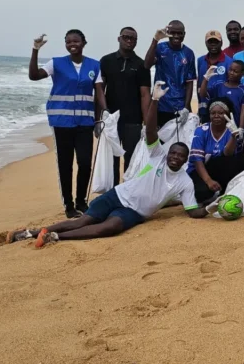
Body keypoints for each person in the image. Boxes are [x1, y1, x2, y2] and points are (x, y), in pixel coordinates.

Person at [7, 82, 207, 247]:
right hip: (118, 195)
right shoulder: (157, 156)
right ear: (168, 152)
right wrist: (154, 100)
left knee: (110, 227)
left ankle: (54, 237)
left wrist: (211, 208)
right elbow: (151, 130)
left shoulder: (185, 182)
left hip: (134, 212)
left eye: (180, 156)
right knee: (84, 220)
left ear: (185, 160)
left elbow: (193, 211)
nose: (175, 157)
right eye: (173, 153)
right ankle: (30, 233)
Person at [28, 30, 107, 218]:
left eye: (76, 41)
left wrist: (103, 116)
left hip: (85, 122)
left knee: (85, 163)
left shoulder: (94, 65)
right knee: (65, 165)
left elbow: (99, 94)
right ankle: (69, 206)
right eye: (68, 42)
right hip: (61, 122)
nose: (72, 44)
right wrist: (35, 49)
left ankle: (82, 202)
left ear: (83, 43)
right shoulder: (56, 63)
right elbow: (34, 75)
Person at [99, 27, 151, 185]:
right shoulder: (106, 61)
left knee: (132, 159)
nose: (129, 40)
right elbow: (100, 89)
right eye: (126, 37)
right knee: (111, 160)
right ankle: (113, 191)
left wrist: (146, 123)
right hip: (111, 120)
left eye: (133, 38)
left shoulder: (142, 64)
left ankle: (128, 191)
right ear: (119, 38)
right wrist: (100, 117)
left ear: (136, 42)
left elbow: (145, 94)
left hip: (133, 120)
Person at [188, 98, 244, 202]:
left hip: (220, 170)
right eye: (213, 113)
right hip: (200, 171)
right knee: (202, 193)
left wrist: (233, 137)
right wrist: (208, 180)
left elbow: (228, 155)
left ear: (227, 114)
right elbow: (197, 160)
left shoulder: (231, 130)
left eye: (220, 113)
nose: (216, 116)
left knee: (232, 163)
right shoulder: (201, 130)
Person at [145, 20, 196, 127]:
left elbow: (189, 82)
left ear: (184, 34)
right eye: (173, 33)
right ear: (167, 33)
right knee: (160, 137)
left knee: (181, 138)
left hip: (180, 107)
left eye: (179, 33)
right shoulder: (160, 48)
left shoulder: (189, 53)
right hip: (161, 105)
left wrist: (187, 107)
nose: (176, 36)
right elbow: (147, 65)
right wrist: (155, 40)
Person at [200, 59, 244, 128]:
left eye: (235, 71)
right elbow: (202, 94)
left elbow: (243, 111)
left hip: (234, 125)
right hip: (217, 124)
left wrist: (241, 128)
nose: (231, 73)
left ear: (243, 73)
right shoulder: (219, 85)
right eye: (230, 70)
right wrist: (206, 78)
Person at [196, 30, 232, 124]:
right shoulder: (200, 60)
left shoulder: (229, 61)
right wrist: (199, 107)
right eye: (210, 42)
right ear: (206, 43)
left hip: (221, 109)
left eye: (216, 42)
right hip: (204, 108)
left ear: (221, 43)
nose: (213, 44)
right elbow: (199, 84)